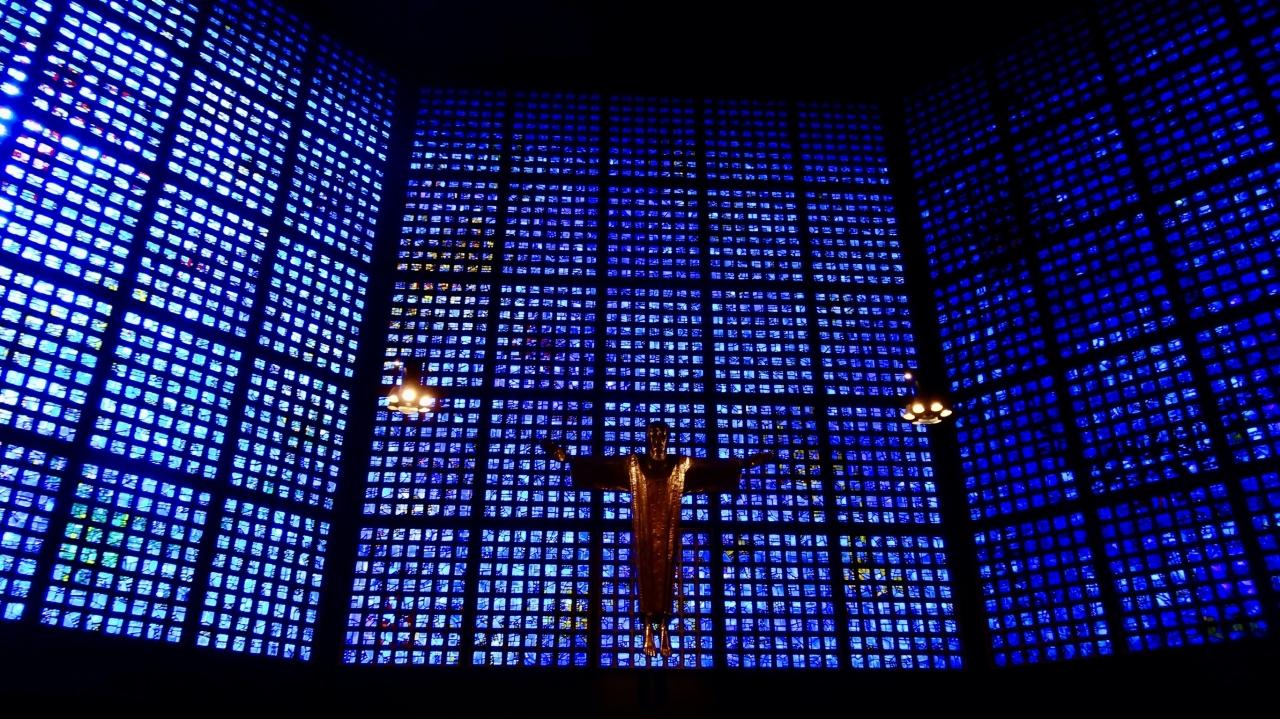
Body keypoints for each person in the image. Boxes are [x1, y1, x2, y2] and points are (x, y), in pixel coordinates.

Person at [541, 420, 774, 658]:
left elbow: (711, 469)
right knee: (644, 571)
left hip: (668, 530)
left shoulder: (682, 466)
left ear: (668, 438)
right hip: (643, 528)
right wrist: (569, 459)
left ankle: (662, 627)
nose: (657, 439)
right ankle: (647, 628)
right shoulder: (633, 466)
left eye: (662, 434)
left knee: (666, 573)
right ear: (647, 437)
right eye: (653, 434)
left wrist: (743, 463)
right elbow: (602, 466)